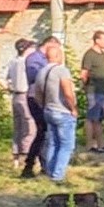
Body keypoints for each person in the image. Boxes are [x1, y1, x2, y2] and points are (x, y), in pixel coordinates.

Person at [36, 38, 78, 182]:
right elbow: (67, 92)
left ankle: (50, 170)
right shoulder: (61, 70)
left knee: (53, 142)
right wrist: (73, 108)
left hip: (48, 110)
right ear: (58, 56)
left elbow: (37, 93)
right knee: (66, 145)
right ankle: (58, 175)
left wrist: (44, 105)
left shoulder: (42, 72)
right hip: (63, 111)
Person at [20, 35, 56, 178]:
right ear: (49, 45)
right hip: (36, 98)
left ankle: (38, 165)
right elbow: (36, 78)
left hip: (43, 98)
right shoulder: (34, 59)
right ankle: (32, 165)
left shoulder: (43, 59)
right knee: (42, 132)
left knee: (43, 132)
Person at [3, 38, 37, 168]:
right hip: (25, 94)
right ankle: (26, 157)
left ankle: (16, 158)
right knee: (29, 127)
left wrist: (9, 87)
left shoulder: (13, 61)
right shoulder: (26, 62)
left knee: (17, 127)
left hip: (15, 96)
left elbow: (3, 78)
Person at [79, 29, 104, 153]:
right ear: (97, 40)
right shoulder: (89, 54)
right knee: (91, 118)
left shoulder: (102, 54)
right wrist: (86, 87)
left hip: (103, 91)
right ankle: (89, 145)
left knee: (99, 119)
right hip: (94, 91)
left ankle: (101, 144)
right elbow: (83, 73)